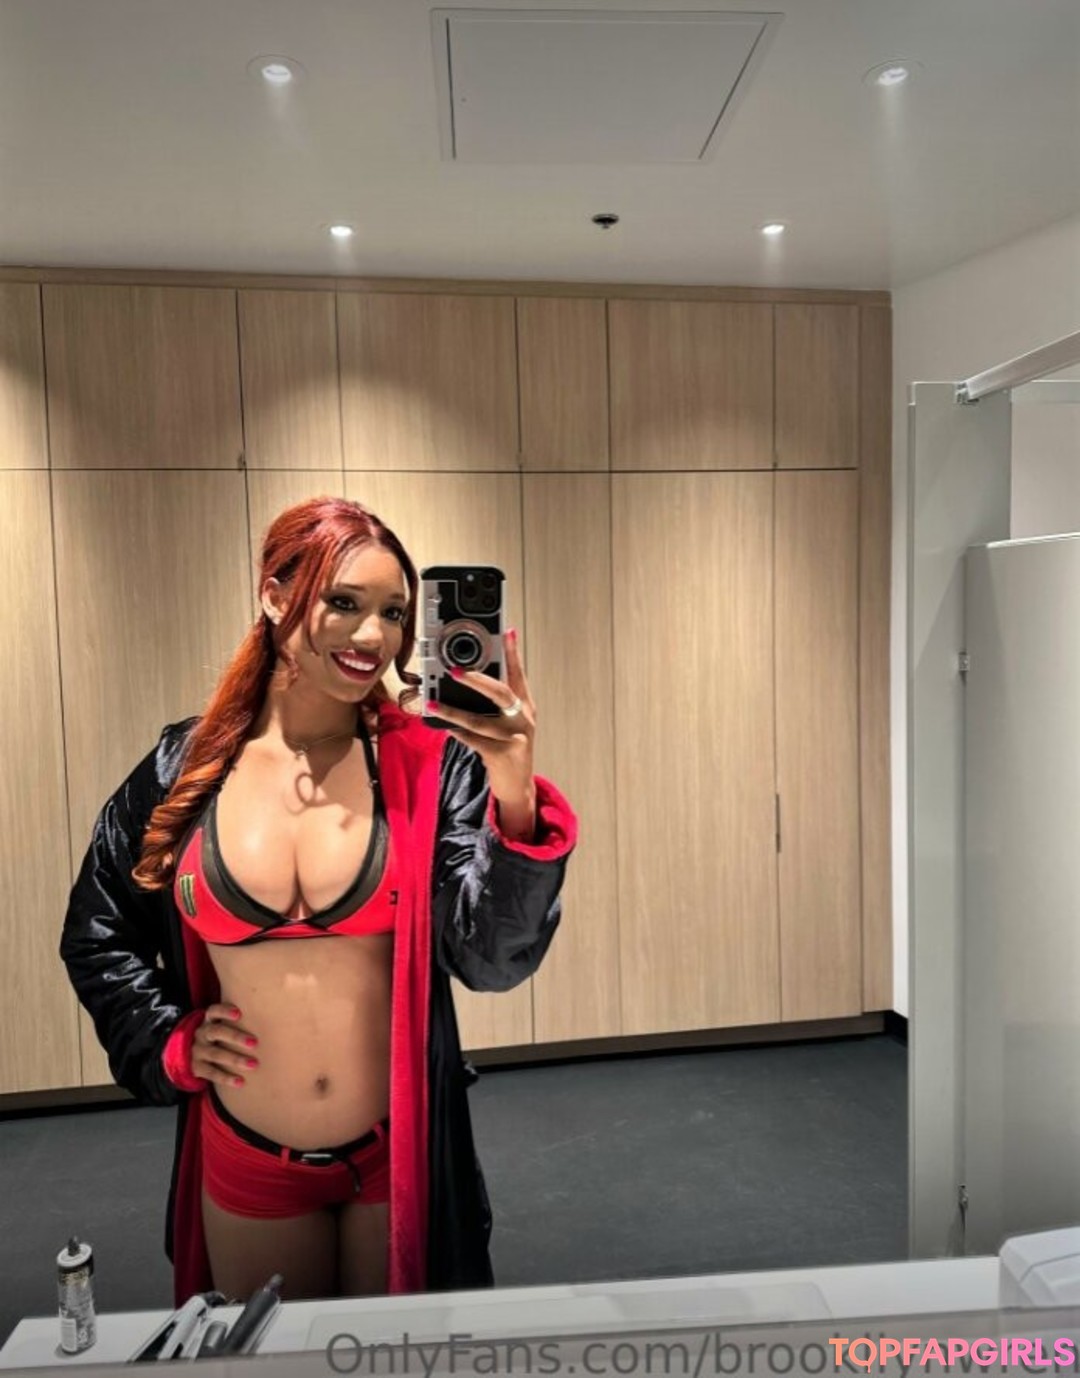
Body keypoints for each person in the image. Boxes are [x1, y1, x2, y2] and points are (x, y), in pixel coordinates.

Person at [59, 495, 577, 1306]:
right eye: (344, 602)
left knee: (389, 1358)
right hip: (250, 1157)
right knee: (269, 1358)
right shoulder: (183, 771)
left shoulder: (428, 766)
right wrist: (165, 1038)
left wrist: (513, 793)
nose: (374, 637)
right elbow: (98, 933)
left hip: (395, 1156)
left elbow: (492, 959)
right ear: (274, 595)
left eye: (395, 613)